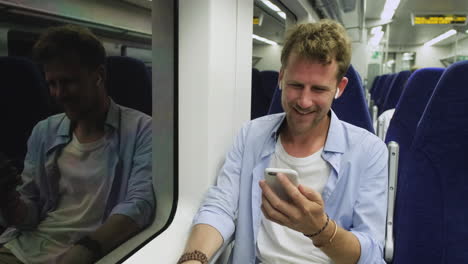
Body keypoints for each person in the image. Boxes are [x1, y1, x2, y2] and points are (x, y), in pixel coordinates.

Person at [179, 20, 388, 264]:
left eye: (318, 89)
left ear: (339, 88)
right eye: (296, 85)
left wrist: (320, 230)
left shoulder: (369, 151)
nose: (304, 101)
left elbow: (371, 253)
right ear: (281, 78)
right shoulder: (251, 136)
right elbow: (221, 206)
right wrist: (194, 258)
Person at [0, 24, 154, 264]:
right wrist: (8, 200)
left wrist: (87, 249)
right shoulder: (44, 131)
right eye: (52, 84)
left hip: (93, 249)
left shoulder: (143, 130)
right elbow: (31, 212)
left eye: (69, 82)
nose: (59, 94)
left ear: (98, 76)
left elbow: (139, 204)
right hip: (26, 247)